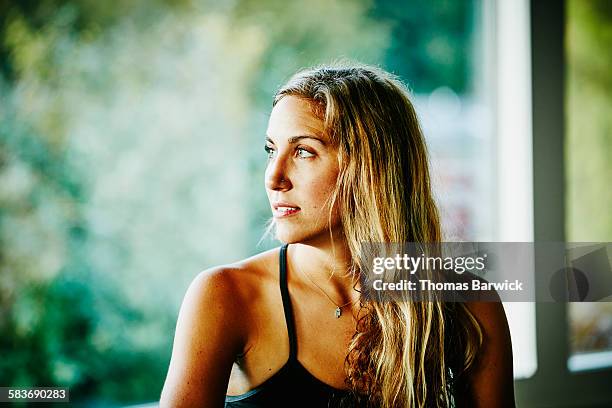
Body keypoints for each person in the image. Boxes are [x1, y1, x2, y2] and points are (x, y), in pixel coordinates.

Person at [159, 64, 516, 407]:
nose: (273, 177)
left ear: (370, 169)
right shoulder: (224, 296)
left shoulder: (468, 303)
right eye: (271, 149)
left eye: (303, 151)